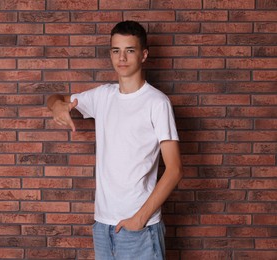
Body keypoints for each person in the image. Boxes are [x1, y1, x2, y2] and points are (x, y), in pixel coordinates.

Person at [47, 20, 183, 260]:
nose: (122, 58)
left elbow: (174, 170)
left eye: (129, 50)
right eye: (116, 51)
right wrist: (57, 106)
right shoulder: (103, 96)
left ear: (143, 55)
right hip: (102, 227)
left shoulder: (157, 103)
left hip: (139, 229)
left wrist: (139, 220)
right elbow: (55, 97)